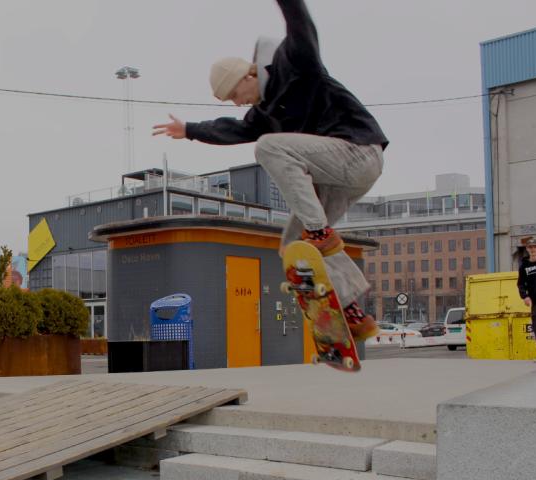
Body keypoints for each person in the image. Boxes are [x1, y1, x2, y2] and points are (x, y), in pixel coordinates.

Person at [152, 0, 387, 341]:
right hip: (335, 176)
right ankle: (353, 313)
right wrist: (189, 129)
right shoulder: (265, 113)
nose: (239, 103)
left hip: (358, 152)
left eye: (236, 95)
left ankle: (319, 233)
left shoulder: (294, 61)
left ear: (249, 74)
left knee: (268, 147)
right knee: (293, 246)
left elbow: (300, 22)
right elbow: (231, 129)